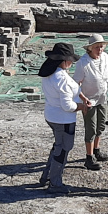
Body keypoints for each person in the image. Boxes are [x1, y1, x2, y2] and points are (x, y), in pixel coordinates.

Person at [38, 42, 89, 194]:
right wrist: (82, 106)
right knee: (63, 149)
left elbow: (73, 87)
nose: (72, 63)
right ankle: (55, 183)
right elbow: (68, 106)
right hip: (63, 119)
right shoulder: (62, 79)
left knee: (58, 146)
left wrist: (81, 96)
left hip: (52, 115)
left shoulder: (51, 73)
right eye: (71, 61)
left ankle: (46, 177)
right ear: (65, 61)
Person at [72, 33, 108, 171]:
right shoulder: (83, 62)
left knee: (100, 126)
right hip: (89, 100)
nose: (100, 49)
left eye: (101, 46)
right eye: (97, 47)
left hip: (102, 98)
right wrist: (83, 99)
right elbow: (75, 84)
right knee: (90, 128)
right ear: (90, 48)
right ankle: (89, 156)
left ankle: (96, 150)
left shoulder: (104, 57)